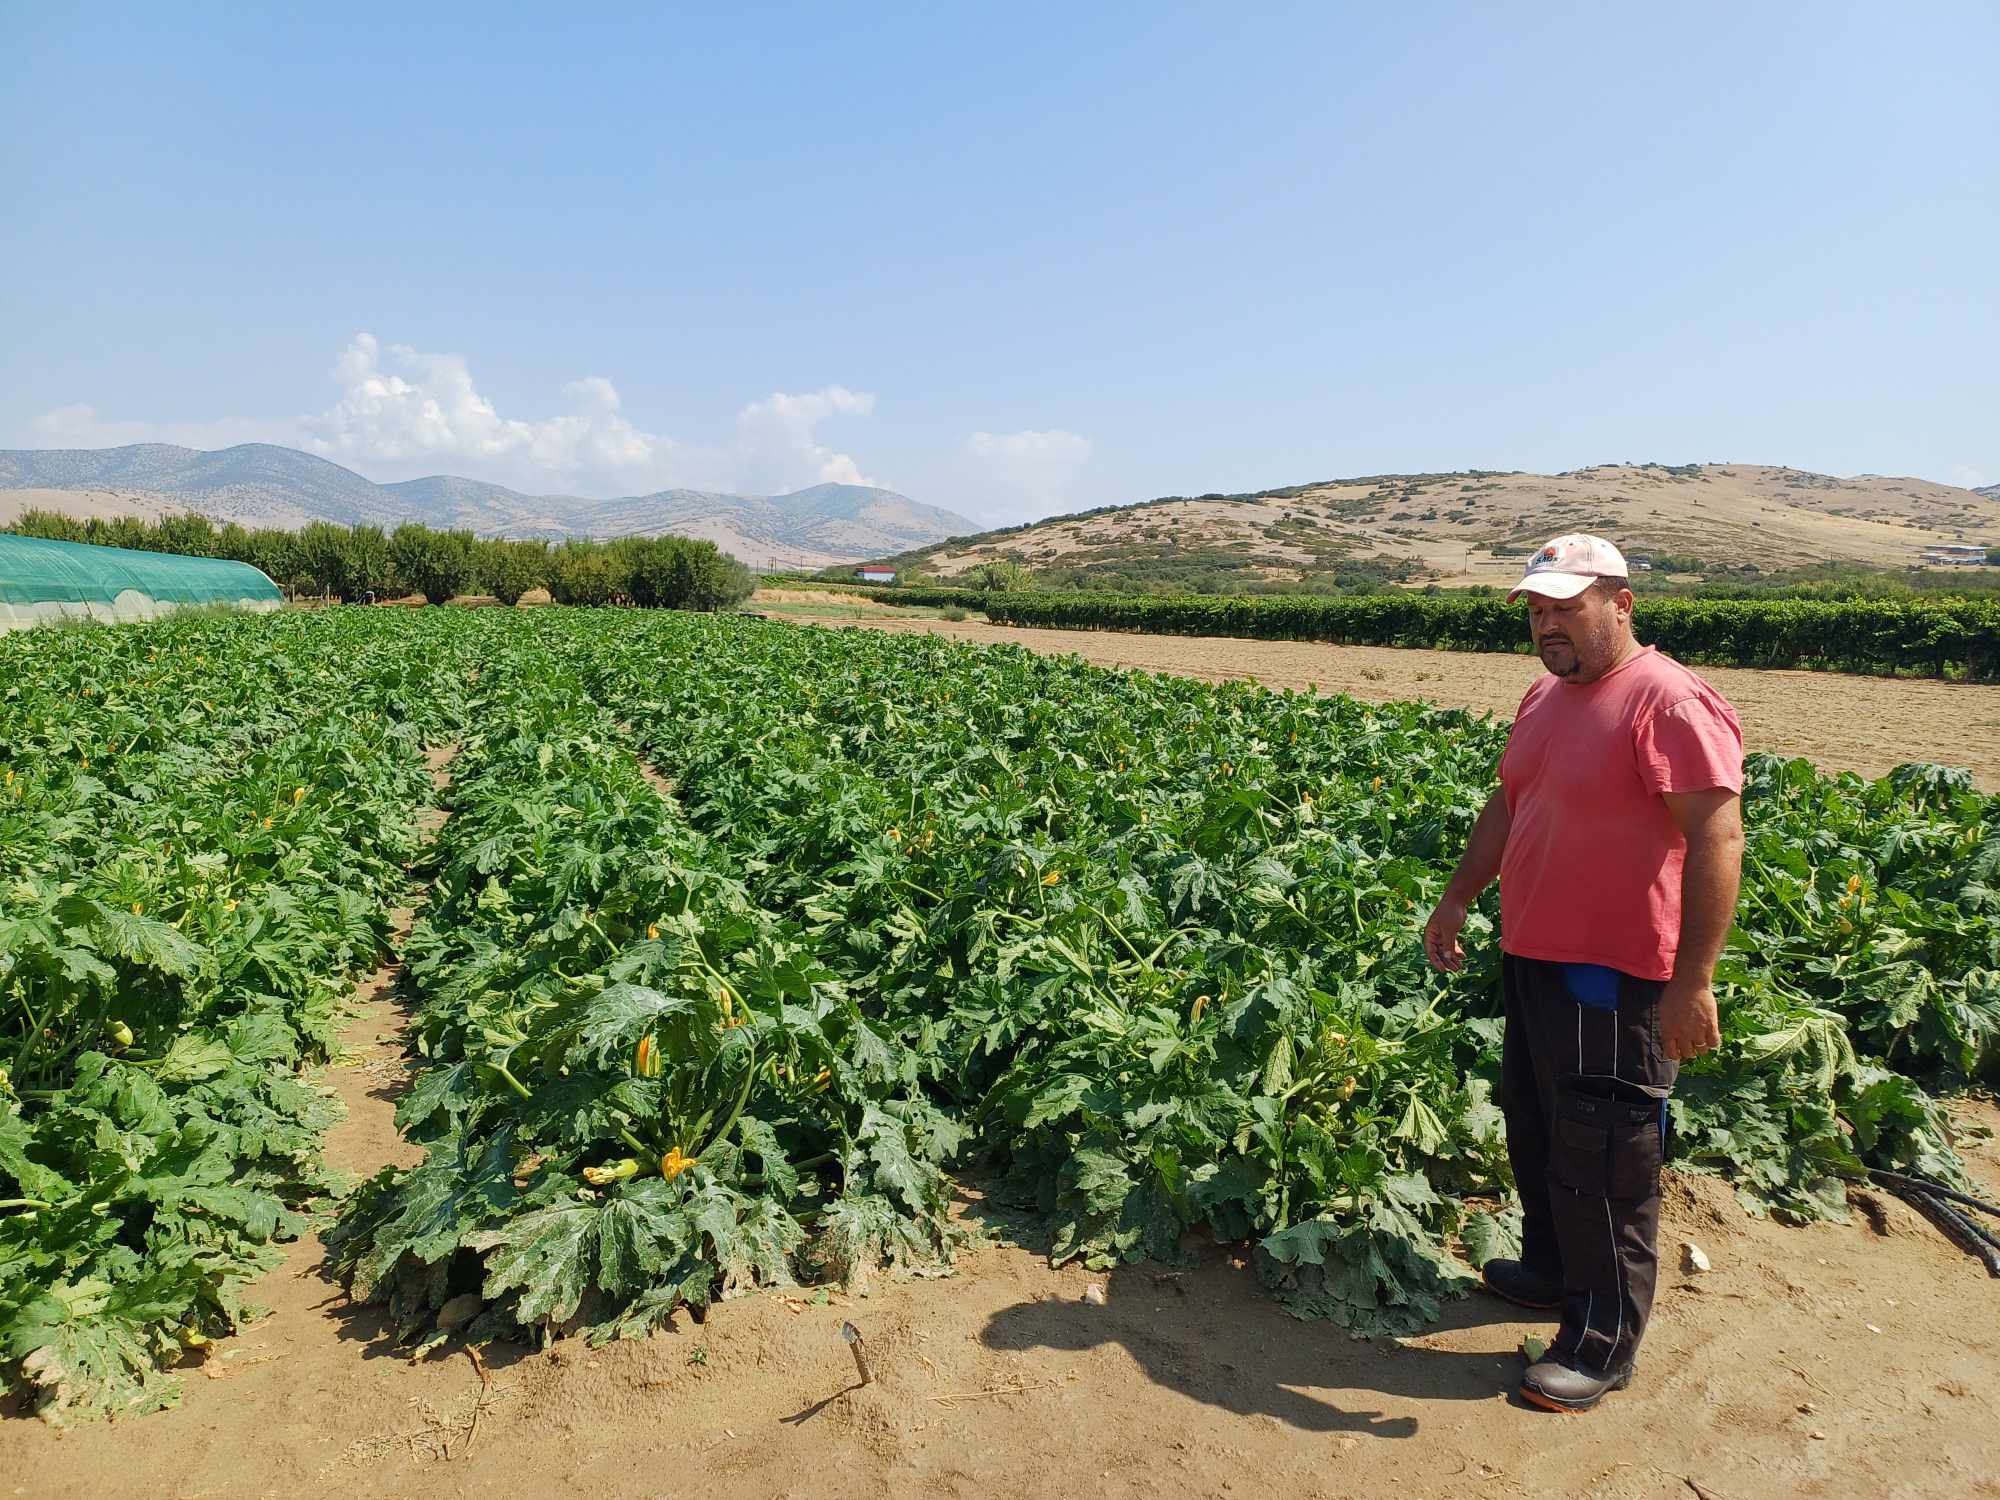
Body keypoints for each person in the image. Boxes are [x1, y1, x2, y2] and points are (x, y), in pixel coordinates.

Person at [1422, 533, 1745, 1414]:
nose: (1547, 624)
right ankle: (1555, 1270)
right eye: (1536, 609)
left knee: (1604, 1152)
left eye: (1566, 606)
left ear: (1621, 603)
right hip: (1534, 954)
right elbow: (1509, 802)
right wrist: (1458, 899)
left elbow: (1717, 837)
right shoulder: (1545, 695)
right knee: (1537, 1122)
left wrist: (1693, 982)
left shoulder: (1666, 700)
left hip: (1617, 970)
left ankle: (1601, 1341)